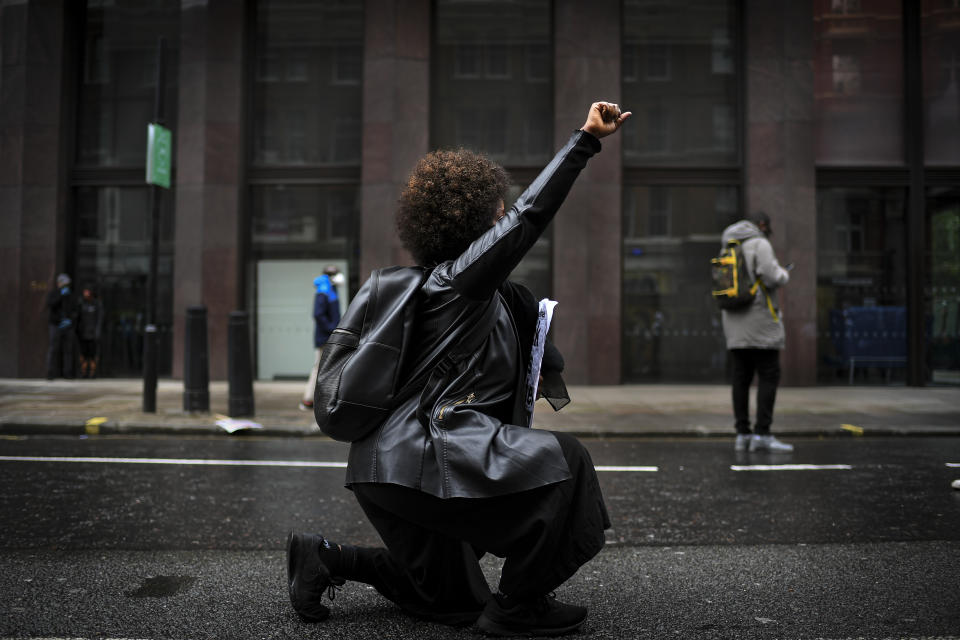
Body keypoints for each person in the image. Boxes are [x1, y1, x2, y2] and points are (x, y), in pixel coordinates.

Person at [286, 102, 630, 636]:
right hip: (423, 462)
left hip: (384, 472)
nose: (504, 217)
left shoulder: (481, 297)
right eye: (498, 212)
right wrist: (585, 140)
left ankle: (328, 557)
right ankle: (520, 606)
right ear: (472, 222)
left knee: (452, 603)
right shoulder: (455, 284)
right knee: (568, 462)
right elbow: (530, 217)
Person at [720, 212, 793, 453]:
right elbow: (772, 276)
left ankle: (742, 434)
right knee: (769, 375)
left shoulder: (728, 246)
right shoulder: (760, 243)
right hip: (760, 322)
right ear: (762, 226)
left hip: (733, 324)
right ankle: (762, 433)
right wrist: (785, 273)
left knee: (740, 378)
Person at [299, 266, 342, 411]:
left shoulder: (329, 289)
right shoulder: (324, 291)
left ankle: (315, 399)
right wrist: (332, 329)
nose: (339, 276)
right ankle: (308, 400)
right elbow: (318, 314)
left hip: (328, 336)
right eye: (335, 274)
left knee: (324, 367)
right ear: (330, 276)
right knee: (319, 367)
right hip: (325, 337)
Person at [45, 273, 79, 380]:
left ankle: (67, 373)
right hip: (55, 325)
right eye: (63, 284)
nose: (65, 286)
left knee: (68, 350)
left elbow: (75, 310)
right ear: (58, 283)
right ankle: (50, 373)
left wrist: (71, 320)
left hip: (68, 326)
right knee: (53, 349)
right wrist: (60, 295)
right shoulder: (54, 294)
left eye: (67, 284)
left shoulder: (71, 295)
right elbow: (50, 304)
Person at [77, 285, 104, 379]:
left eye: (87, 292)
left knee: (92, 355)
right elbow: (78, 318)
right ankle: (83, 372)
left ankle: (93, 373)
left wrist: (97, 331)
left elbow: (99, 319)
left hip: (93, 334)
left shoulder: (96, 304)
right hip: (83, 334)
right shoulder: (81, 304)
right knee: (83, 354)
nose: (86, 295)